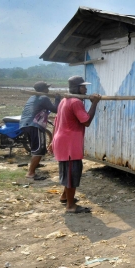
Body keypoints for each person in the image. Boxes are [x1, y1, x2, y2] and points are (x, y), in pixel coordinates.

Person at [51, 76, 101, 213]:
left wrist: (52, 141)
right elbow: (86, 122)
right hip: (69, 144)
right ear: (77, 88)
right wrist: (95, 103)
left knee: (68, 172)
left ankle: (64, 197)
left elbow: (56, 122)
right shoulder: (75, 102)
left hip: (62, 141)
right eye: (83, 87)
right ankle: (70, 206)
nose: (86, 89)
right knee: (72, 174)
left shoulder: (64, 101)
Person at [20, 81, 61, 180]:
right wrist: (57, 98)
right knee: (39, 149)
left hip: (25, 124)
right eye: (47, 88)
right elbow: (56, 109)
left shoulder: (32, 97)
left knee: (34, 148)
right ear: (43, 89)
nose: (48, 90)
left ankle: (35, 165)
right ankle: (31, 173)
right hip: (35, 125)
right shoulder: (44, 97)